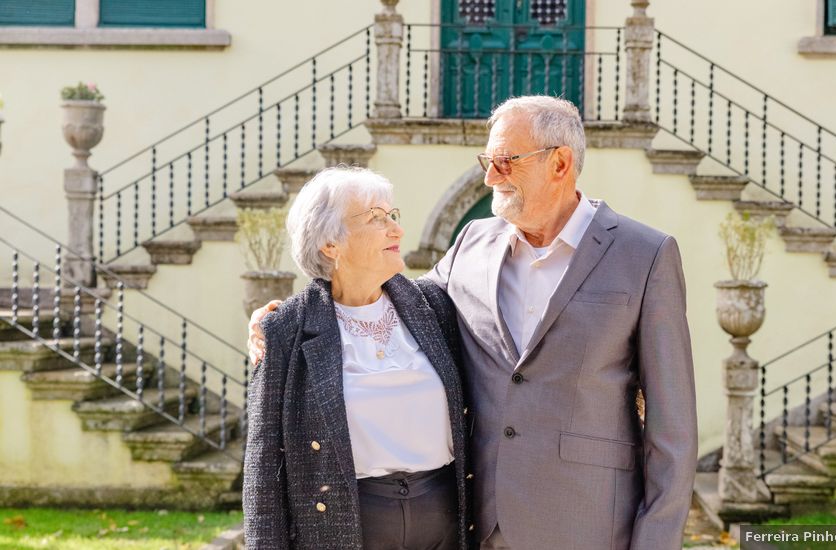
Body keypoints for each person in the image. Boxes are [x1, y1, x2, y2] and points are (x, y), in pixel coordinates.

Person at [249, 96, 697, 550]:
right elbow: (381, 295)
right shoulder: (472, 242)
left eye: (504, 161)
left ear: (559, 163)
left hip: (591, 523)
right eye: (488, 161)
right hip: (479, 523)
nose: (489, 177)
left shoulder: (645, 254)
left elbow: (672, 431)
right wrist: (289, 316)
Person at [242, 166, 471, 550]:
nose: (396, 230)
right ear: (330, 244)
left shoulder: (435, 307)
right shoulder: (286, 329)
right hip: (344, 526)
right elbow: (264, 468)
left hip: (444, 518)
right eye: (376, 218)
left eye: (392, 216)